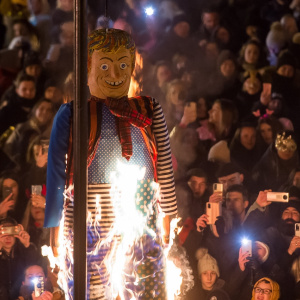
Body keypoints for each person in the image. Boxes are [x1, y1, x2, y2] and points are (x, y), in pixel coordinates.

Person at [44, 28, 177, 299]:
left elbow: (164, 164)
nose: (115, 75)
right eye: (105, 65)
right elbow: (57, 173)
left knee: (146, 288)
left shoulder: (149, 108)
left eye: (123, 65)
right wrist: (53, 226)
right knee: (91, 290)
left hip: (141, 212)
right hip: (88, 215)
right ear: (88, 68)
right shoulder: (72, 113)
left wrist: (168, 214)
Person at [0, 217, 39, 300]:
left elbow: (34, 267)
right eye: (4, 233)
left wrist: (27, 245)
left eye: (11, 232)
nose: (8, 238)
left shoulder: (24, 251)